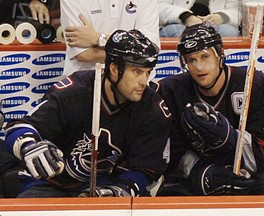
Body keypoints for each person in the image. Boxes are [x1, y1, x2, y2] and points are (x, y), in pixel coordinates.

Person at [4, 29, 171, 198]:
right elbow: (20, 128)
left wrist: (121, 190)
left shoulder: (152, 108)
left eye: (147, 72)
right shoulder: (73, 93)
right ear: (114, 69)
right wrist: (29, 146)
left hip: (108, 187)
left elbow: (146, 168)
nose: (144, 81)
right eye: (136, 72)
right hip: (53, 185)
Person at [153, 22, 264, 196]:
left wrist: (227, 138)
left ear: (219, 55)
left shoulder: (256, 84)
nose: (199, 67)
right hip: (194, 172)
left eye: (204, 57)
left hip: (254, 169)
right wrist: (206, 175)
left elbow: (262, 151)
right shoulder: (169, 91)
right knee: (170, 200)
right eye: (191, 60)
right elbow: (171, 154)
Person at [60, 0, 160, 76]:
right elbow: (83, 54)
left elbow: (148, 49)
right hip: (85, 85)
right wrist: (133, 53)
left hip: (136, 86)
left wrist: (99, 38)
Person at [158, 0, 242, 37]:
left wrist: (220, 17)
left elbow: (237, 9)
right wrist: (186, 16)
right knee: (177, 31)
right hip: (180, 23)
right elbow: (158, 6)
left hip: (216, 25)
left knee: (229, 32)